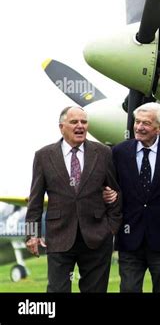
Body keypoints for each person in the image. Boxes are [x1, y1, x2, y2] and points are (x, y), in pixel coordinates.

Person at [25, 106, 122, 292]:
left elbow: (116, 192)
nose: (80, 126)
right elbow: (34, 200)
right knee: (57, 289)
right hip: (59, 236)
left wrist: (112, 227)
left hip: (97, 236)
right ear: (61, 127)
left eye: (84, 122)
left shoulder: (103, 153)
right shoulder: (43, 156)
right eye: (74, 122)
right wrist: (31, 234)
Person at [104, 102, 160, 292]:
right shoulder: (119, 152)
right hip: (130, 238)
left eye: (146, 123)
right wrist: (107, 193)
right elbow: (110, 186)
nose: (140, 127)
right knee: (128, 289)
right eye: (137, 122)